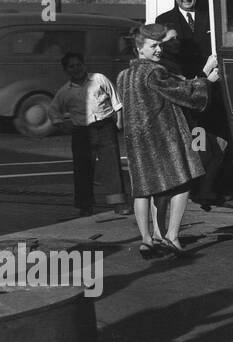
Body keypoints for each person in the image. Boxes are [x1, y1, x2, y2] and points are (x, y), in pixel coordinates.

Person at [116, 23, 220, 258]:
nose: (159, 51)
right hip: (162, 138)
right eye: (153, 46)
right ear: (139, 48)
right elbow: (183, 92)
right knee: (182, 182)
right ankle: (172, 237)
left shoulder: (123, 76)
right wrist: (208, 81)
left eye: (160, 46)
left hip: (136, 140)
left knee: (144, 190)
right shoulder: (154, 72)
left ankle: (147, 240)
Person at [158, 0, 233, 207]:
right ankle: (197, 190)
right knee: (195, 146)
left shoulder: (211, 16)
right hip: (187, 95)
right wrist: (200, 77)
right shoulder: (164, 21)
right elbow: (168, 62)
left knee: (219, 142)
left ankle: (213, 188)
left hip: (214, 93)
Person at [49, 51, 127, 217]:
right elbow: (53, 111)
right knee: (83, 170)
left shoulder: (99, 79)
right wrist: (63, 127)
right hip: (81, 133)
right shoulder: (65, 92)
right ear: (66, 70)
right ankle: (85, 206)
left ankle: (118, 203)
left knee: (112, 167)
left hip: (105, 127)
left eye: (79, 64)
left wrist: (119, 122)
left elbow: (116, 100)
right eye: (72, 66)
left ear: (84, 65)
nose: (76, 68)